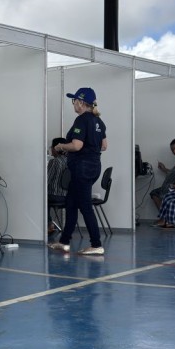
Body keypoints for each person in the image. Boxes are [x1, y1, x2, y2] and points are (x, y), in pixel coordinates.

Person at [48, 87, 106, 255]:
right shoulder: (98, 121)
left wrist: (60, 146)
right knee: (71, 203)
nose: (73, 104)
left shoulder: (82, 120)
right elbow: (104, 146)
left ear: (81, 102)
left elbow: (76, 145)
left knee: (85, 206)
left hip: (82, 168)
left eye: (74, 101)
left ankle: (96, 244)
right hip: (93, 166)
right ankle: (64, 242)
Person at [150, 138, 175, 211]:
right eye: (172, 150)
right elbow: (174, 173)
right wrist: (164, 169)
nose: (174, 151)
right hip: (172, 185)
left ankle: (165, 216)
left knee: (161, 194)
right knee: (154, 193)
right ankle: (164, 215)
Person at [46, 137, 67, 233]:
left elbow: (46, 180)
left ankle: (48, 224)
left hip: (55, 196)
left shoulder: (54, 161)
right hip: (67, 196)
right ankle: (49, 224)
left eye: (51, 147)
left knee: (40, 198)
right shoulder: (70, 161)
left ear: (55, 148)